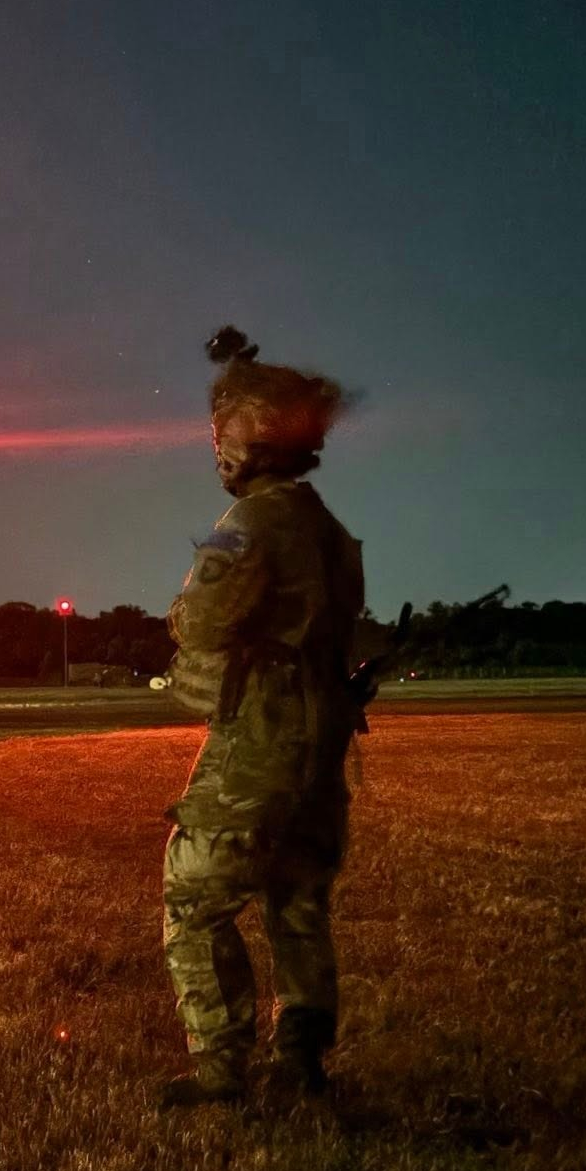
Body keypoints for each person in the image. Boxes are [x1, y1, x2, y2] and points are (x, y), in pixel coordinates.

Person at [159, 327, 366, 1108]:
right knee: (298, 903)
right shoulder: (330, 530)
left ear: (255, 441)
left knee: (194, 894)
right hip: (323, 747)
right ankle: (303, 1063)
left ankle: (222, 1066)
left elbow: (203, 620)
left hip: (261, 744)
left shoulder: (254, 524)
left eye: (223, 435)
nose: (216, 450)